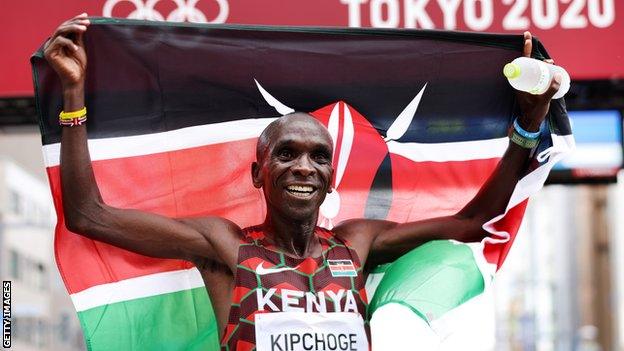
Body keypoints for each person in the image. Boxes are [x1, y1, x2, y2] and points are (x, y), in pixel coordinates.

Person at [44, 13, 561, 350]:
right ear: (258, 173)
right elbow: (90, 216)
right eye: (286, 154)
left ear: (330, 178)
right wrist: (73, 97)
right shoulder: (224, 243)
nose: (303, 167)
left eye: (318, 157)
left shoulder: (357, 242)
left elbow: (472, 221)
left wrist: (529, 126)